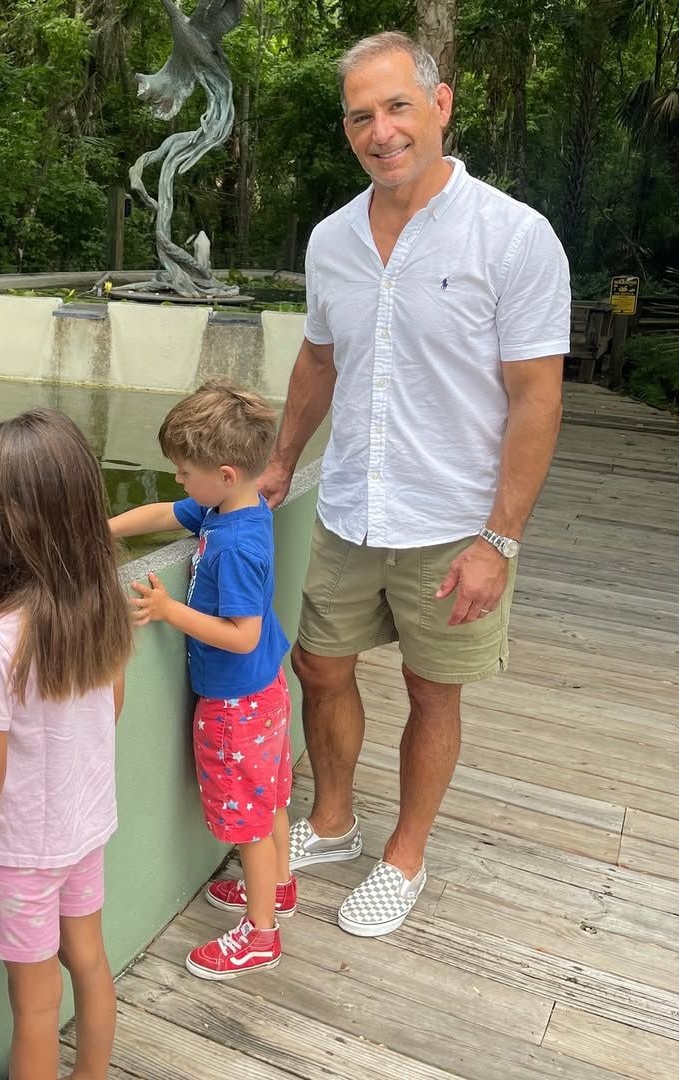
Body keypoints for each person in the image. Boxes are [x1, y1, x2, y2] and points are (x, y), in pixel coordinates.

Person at [258, 31, 570, 938]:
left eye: (397, 106)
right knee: (320, 666)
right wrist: (281, 460)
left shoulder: (513, 236)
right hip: (350, 507)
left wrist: (499, 541)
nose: (381, 131)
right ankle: (334, 821)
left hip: (454, 522)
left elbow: (537, 399)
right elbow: (318, 361)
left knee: (434, 691)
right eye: (361, 116)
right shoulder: (331, 240)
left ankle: (405, 853)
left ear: (441, 105)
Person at [0, 409, 131, 1080]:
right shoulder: (101, 601)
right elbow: (113, 706)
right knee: (89, 959)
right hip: (85, 825)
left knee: (33, 1001)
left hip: (22, 848)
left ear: (17, 525)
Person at [110, 379, 293, 980]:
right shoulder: (235, 507)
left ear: (224, 473)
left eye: (185, 473)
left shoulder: (233, 546)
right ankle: (279, 886)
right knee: (269, 800)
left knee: (248, 825)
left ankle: (261, 934)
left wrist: (169, 611)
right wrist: (102, 529)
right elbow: (166, 513)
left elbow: (241, 634)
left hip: (236, 704)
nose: (178, 481)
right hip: (265, 691)